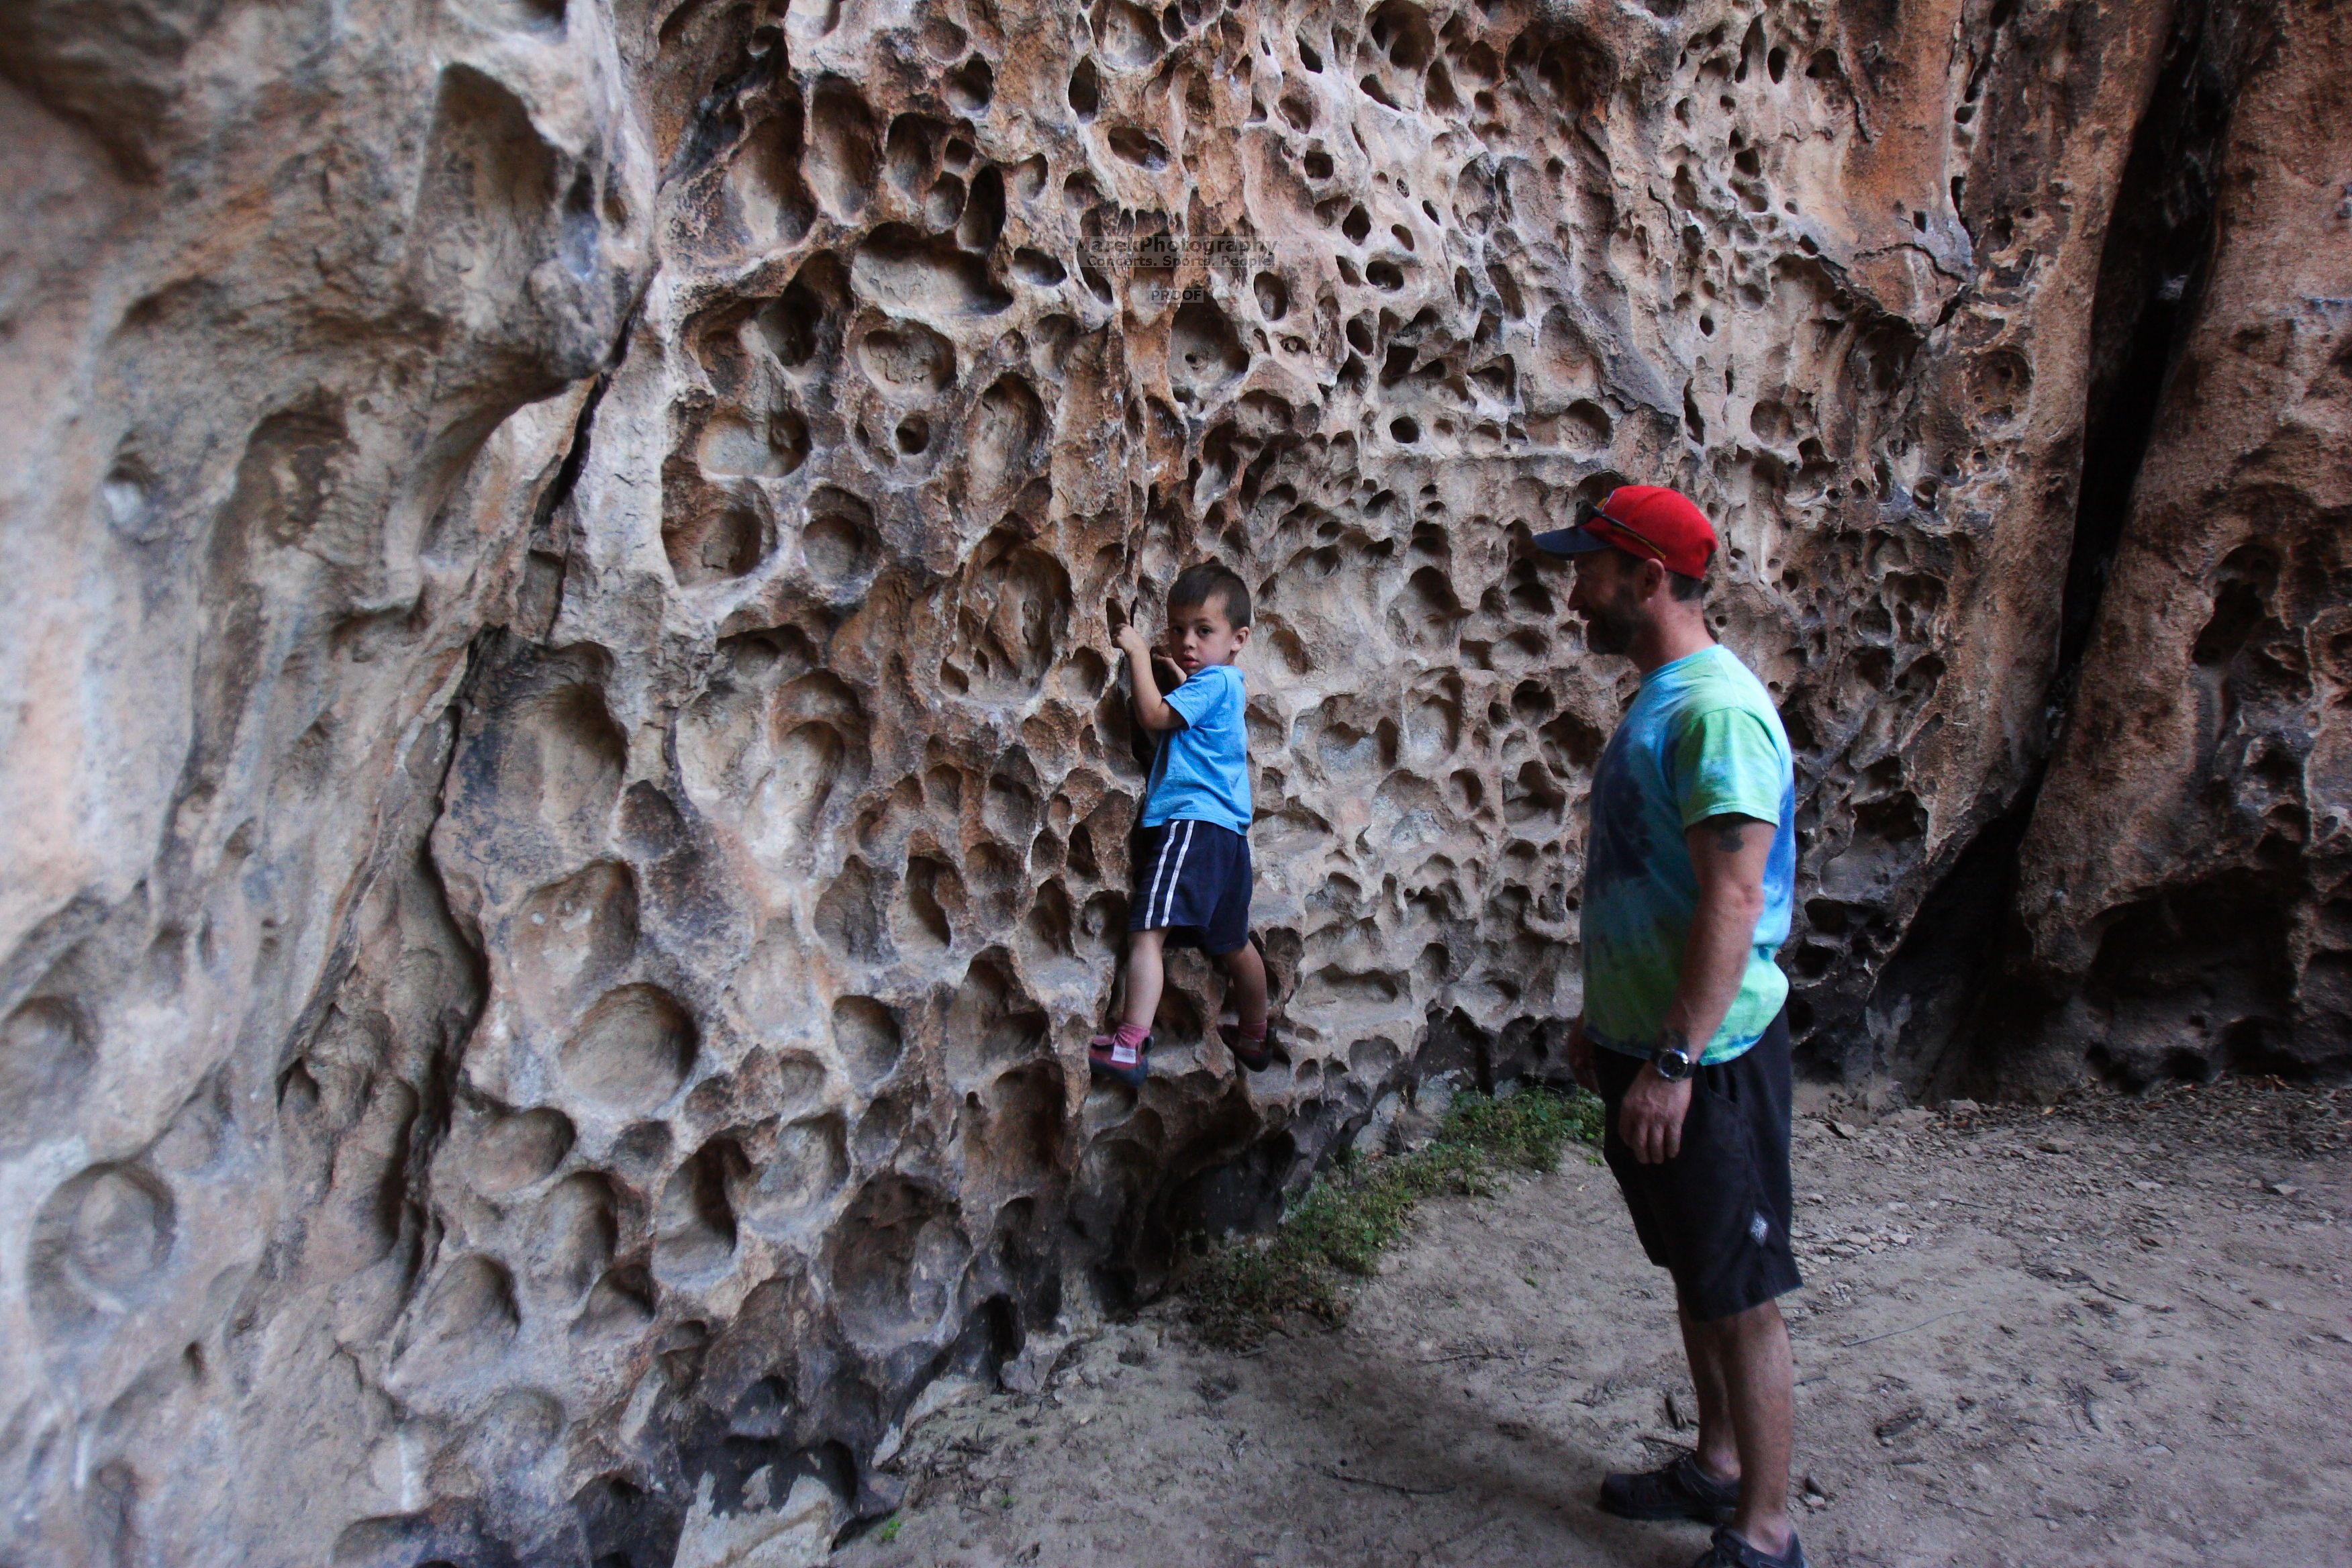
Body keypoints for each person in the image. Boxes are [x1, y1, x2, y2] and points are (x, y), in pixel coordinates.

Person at [1536, 485, 1807, 1568]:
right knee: (1698, 1269)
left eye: (1588, 568)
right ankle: (1715, 1467)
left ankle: (1765, 1530)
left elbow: (1732, 900)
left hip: (1710, 1060)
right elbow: (1647, 884)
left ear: (1646, 579)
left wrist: (1672, 1057)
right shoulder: (1662, 698)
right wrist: (1605, 1020)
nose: (1573, 589)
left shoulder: (1715, 713)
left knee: (1738, 1292)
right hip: (1645, 1040)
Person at [1089, 562, 1275, 1087]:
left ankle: (1128, 1045)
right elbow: (1188, 722)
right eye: (1176, 629)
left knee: (1146, 932)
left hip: (1190, 825)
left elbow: (1152, 716)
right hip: (1228, 840)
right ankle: (1257, 1033)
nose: (1186, 642)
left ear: (1238, 639)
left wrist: (1138, 655)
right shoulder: (1227, 685)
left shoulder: (1211, 682)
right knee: (1234, 942)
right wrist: (1177, 675)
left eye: (1203, 631)